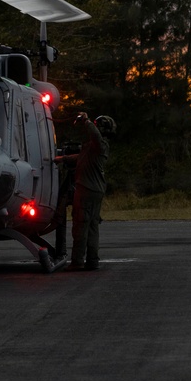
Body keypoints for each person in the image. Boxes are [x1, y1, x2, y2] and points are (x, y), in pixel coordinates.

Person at [67, 112, 114, 271]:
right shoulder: (95, 149)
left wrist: (86, 121)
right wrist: (61, 159)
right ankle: (92, 261)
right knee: (92, 226)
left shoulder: (99, 144)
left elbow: (94, 134)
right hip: (95, 191)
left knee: (81, 225)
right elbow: (80, 158)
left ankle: (77, 262)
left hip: (86, 190)